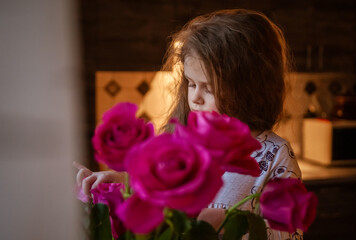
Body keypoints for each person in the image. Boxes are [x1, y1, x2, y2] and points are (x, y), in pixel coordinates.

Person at [76, 9, 302, 240]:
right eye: (191, 84)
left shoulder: (276, 154)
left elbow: (289, 233)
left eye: (209, 88)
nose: (194, 97)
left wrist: (233, 224)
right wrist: (123, 182)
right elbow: (159, 197)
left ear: (251, 89)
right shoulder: (180, 143)